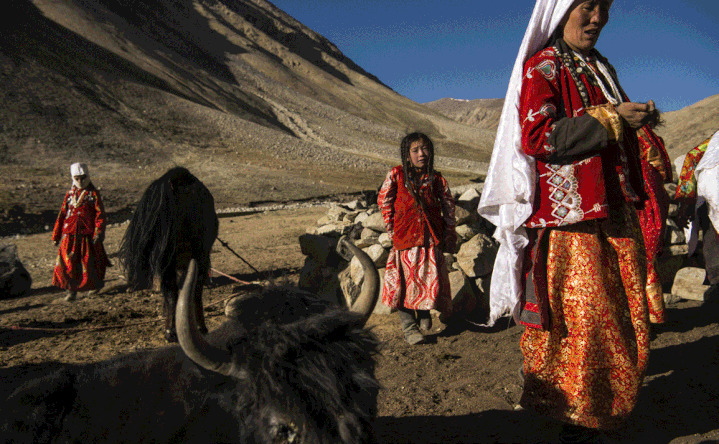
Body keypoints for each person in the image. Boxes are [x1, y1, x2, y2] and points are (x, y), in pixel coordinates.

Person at [478, 0, 657, 441]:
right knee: (586, 326)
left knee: (622, 319)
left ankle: (609, 411)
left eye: (605, 8)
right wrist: (611, 118)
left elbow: (610, 131)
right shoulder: (544, 68)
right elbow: (540, 135)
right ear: (561, 10)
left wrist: (635, 120)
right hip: (575, 223)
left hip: (615, 214)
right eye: (588, 6)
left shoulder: (600, 67)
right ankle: (576, 423)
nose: (598, 18)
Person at [378, 132, 456, 345]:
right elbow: (384, 201)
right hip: (405, 238)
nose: (422, 154)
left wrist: (449, 233)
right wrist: (392, 229)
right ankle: (409, 328)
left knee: (427, 280)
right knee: (404, 282)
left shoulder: (436, 178)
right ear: (407, 153)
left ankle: (423, 313)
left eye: (425, 149)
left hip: (430, 238)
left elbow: (448, 205)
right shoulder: (396, 175)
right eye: (415, 150)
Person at [52, 163, 110, 301]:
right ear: (73, 178)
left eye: (83, 178)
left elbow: (100, 215)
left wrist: (99, 232)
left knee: (89, 261)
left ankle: (94, 286)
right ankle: (71, 290)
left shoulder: (93, 194)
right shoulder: (69, 195)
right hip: (70, 235)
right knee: (68, 263)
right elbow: (62, 215)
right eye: (77, 178)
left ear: (87, 177)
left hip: (88, 235)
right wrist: (56, 235)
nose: (80, 181)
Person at [675, 129, 719, 301]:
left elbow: (691, 158)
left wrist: (686, 201)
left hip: (709, 188)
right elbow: (692, 157)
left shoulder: (712, 143)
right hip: (710, 189)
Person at [636, 121, 673, 323]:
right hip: (651, 194)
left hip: (641, 194)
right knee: (647, 259)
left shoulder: (635, 134)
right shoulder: (648, 136)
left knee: (639, 258)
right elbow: (662, 168)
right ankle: (653, 314)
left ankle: (642, 317)